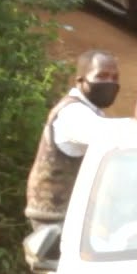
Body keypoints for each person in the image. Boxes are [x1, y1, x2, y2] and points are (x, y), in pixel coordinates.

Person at [25, 49, 121, 230]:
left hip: (67, 213)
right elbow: (108, 136)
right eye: (102, 76)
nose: (110, 82)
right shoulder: (73, 113)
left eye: (115, 77)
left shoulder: (91, 110)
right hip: (53, 216)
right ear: (80, 81)